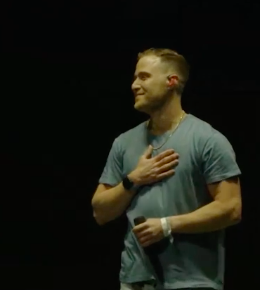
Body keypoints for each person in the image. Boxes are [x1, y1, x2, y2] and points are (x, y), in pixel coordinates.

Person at [91, 48, 242, 290]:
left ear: (171, 81)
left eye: (144, 77)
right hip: (135, 281)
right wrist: (133, 179)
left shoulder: (208, 140)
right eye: (134, 77)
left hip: (192, 281)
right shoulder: (123, 143)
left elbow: (231, 208)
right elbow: (101, 212)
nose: (134, 85)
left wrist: (167, 225)